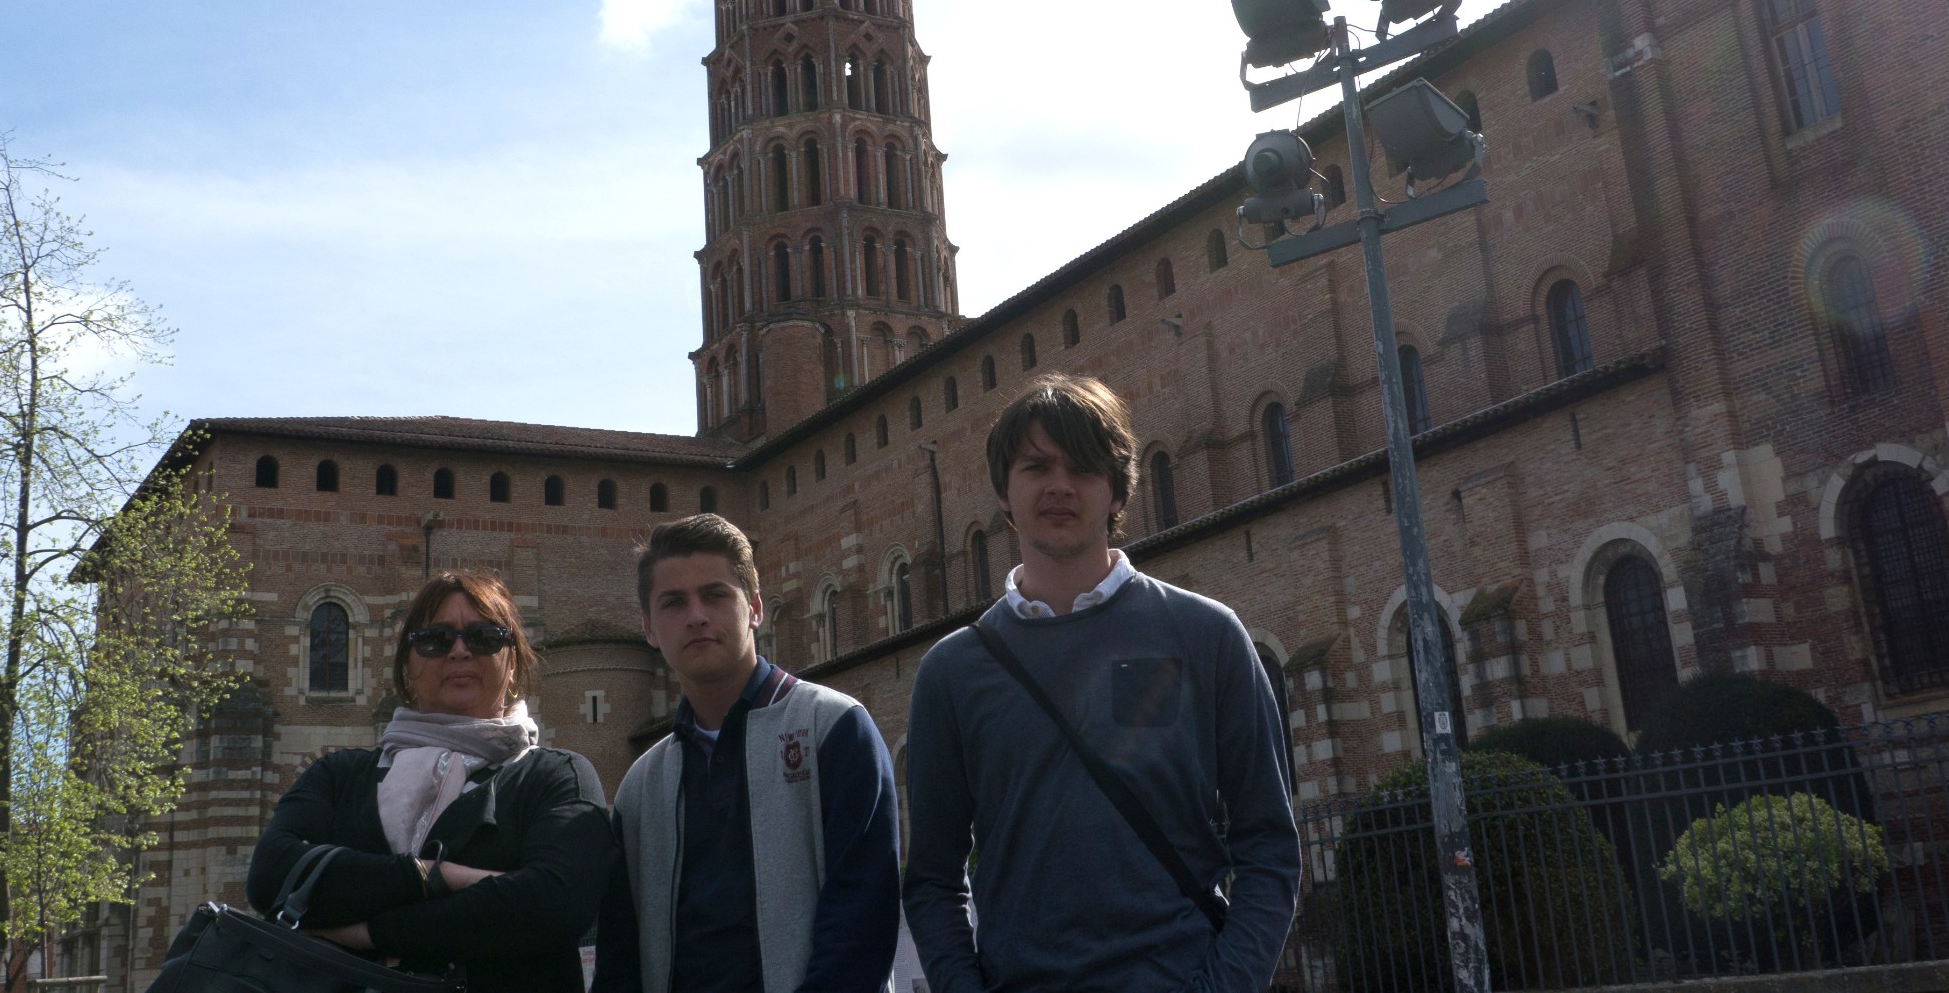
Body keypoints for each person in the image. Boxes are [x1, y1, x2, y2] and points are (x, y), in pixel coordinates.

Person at [902, 374, 1300, 993]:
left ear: (1116, 490)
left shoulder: (1205, 636)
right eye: (1037, 466)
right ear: (1004, 492)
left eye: (1083, 467)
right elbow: (932, 878)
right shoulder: (951, 673)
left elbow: (1269, 843)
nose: (1060, 486)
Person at [248, 571, 612, 993]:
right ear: (408, 667)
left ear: (512, 664)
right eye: (435, 640)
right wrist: (437, 875)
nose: (459, 650)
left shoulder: (557, 777)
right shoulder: (338, 775)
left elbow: (553, 905)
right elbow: (271, 875)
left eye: (484, 637)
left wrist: (370, 932)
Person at [593, 513, 899, 993]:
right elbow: (620, 957)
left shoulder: (834, 729)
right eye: (674, 602)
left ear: (754, 607)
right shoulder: (640, 788)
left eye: (715, 595)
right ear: (649, 629)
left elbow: (861, 921)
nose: (696, 615)